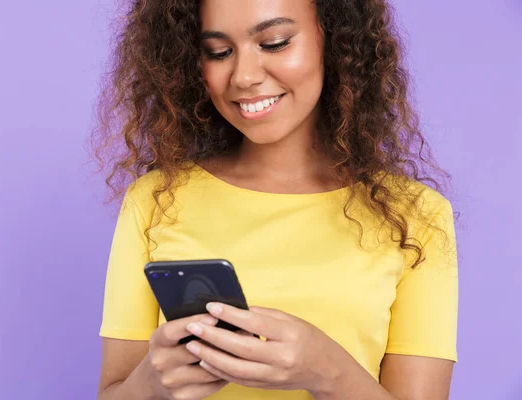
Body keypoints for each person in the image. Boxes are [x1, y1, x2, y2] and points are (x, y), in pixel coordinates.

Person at [91, 0, 459, 399]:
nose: (244, 77)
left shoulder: (416, 216)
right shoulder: (155, 199)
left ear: (332, 40)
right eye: (219, 52)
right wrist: (152, 381)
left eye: (275, 43)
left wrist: (328, 372)